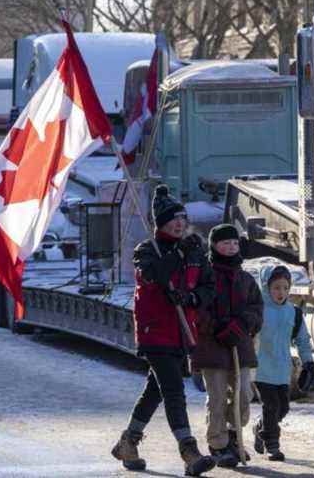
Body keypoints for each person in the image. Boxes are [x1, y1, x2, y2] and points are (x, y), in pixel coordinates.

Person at [112, 185, 216, 476]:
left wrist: (192, 299)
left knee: (155, 391)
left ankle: (127, 443)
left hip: (183, 332)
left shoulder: (194, 251)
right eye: (173, 219)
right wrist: (176, 255)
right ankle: (189, 451)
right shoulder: (147, 251)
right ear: (160, 223)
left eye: (182, 218)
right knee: (173, 390)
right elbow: (153, 275)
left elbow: (209, 286)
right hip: (155, 332)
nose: (179, 223)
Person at [191, 224, 263, 468]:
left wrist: (242, 325)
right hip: (213, 347)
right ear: (214, 245)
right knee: (218, 397)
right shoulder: (205, 275)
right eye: (225, 243)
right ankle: (218, 443)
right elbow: (198, 309)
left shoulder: (245, 278)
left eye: (234, 243)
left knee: (244, 394)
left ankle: (234, 434)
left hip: (239, 346)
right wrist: (216, 328)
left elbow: (256, 307)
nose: (231, 247)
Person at [253, 265, 314, 461]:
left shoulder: (294, 313)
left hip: (282, 370)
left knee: (283, 408)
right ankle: (272, 444)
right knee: (271, 405)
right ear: (266, 287)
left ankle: (260, 427)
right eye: (276, 288)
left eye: (285, 288)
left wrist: (309, 363)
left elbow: (303, 340)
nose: (281, 292)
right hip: (261, 368)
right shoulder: (258, 310)